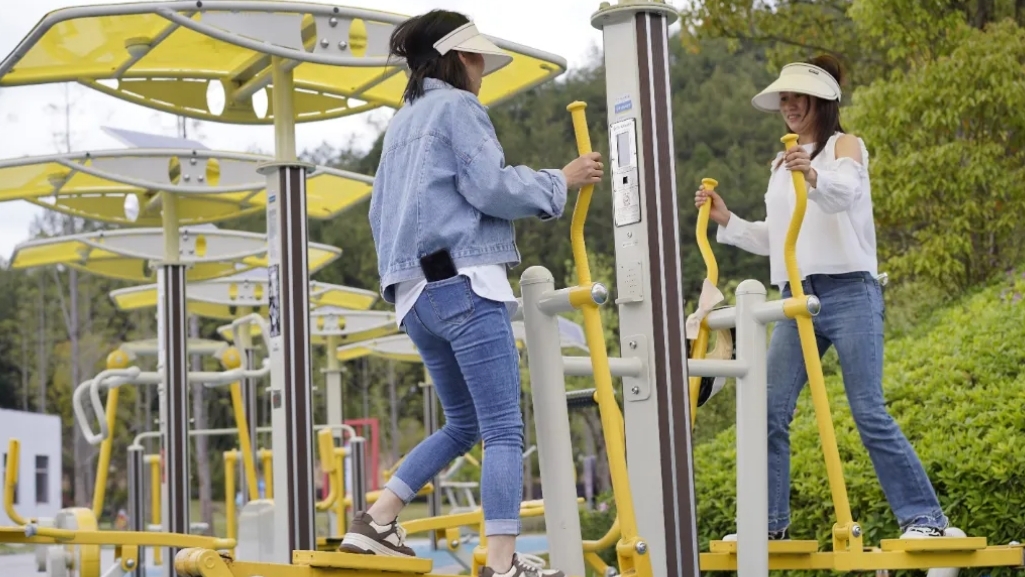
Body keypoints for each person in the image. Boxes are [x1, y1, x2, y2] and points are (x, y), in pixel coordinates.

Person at [338, 10, 603, 577]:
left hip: (414, 296)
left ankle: (376, 521)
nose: (483, 68)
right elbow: (491, 186)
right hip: (463, 283)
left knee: (463, 424)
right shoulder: (457, 108)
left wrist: (401, 279)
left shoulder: (401, 124)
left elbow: (378, 213)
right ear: (459, 58)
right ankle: (501, 564)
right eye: (479, 56)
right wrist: (561, 179)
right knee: (504, 428)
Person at [694, 55, 961, 542]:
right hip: (795, 297)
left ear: (821, 101)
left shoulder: (845, 146)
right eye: (783, 100)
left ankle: (926, 520)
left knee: (868, 410)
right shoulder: (781, 163)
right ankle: (769, 528)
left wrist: (813, 176)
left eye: (797, 98)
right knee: (768, 411)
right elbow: (779, 236)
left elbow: (844, 193)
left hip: (850, 292)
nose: (789, 107)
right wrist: (728, 220)